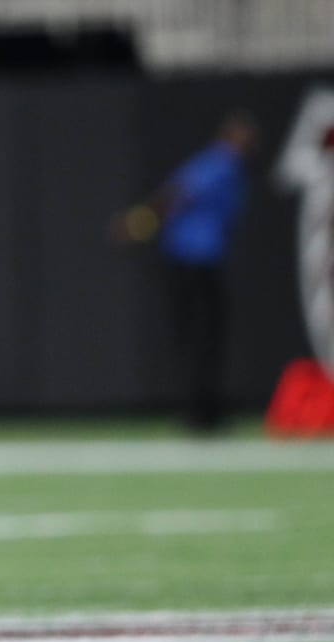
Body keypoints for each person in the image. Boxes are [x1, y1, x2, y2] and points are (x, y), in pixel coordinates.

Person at [111, 111, 257, 432]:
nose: (248, 144)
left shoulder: (231, 168)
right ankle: (198, 413)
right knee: (200, 337)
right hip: (193, 262)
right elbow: (175, 195)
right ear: (229, 137)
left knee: (209, 337)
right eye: (243, 137)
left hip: (207, 260)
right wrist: (138, 223)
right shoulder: (217, 163)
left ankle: (207, 410)